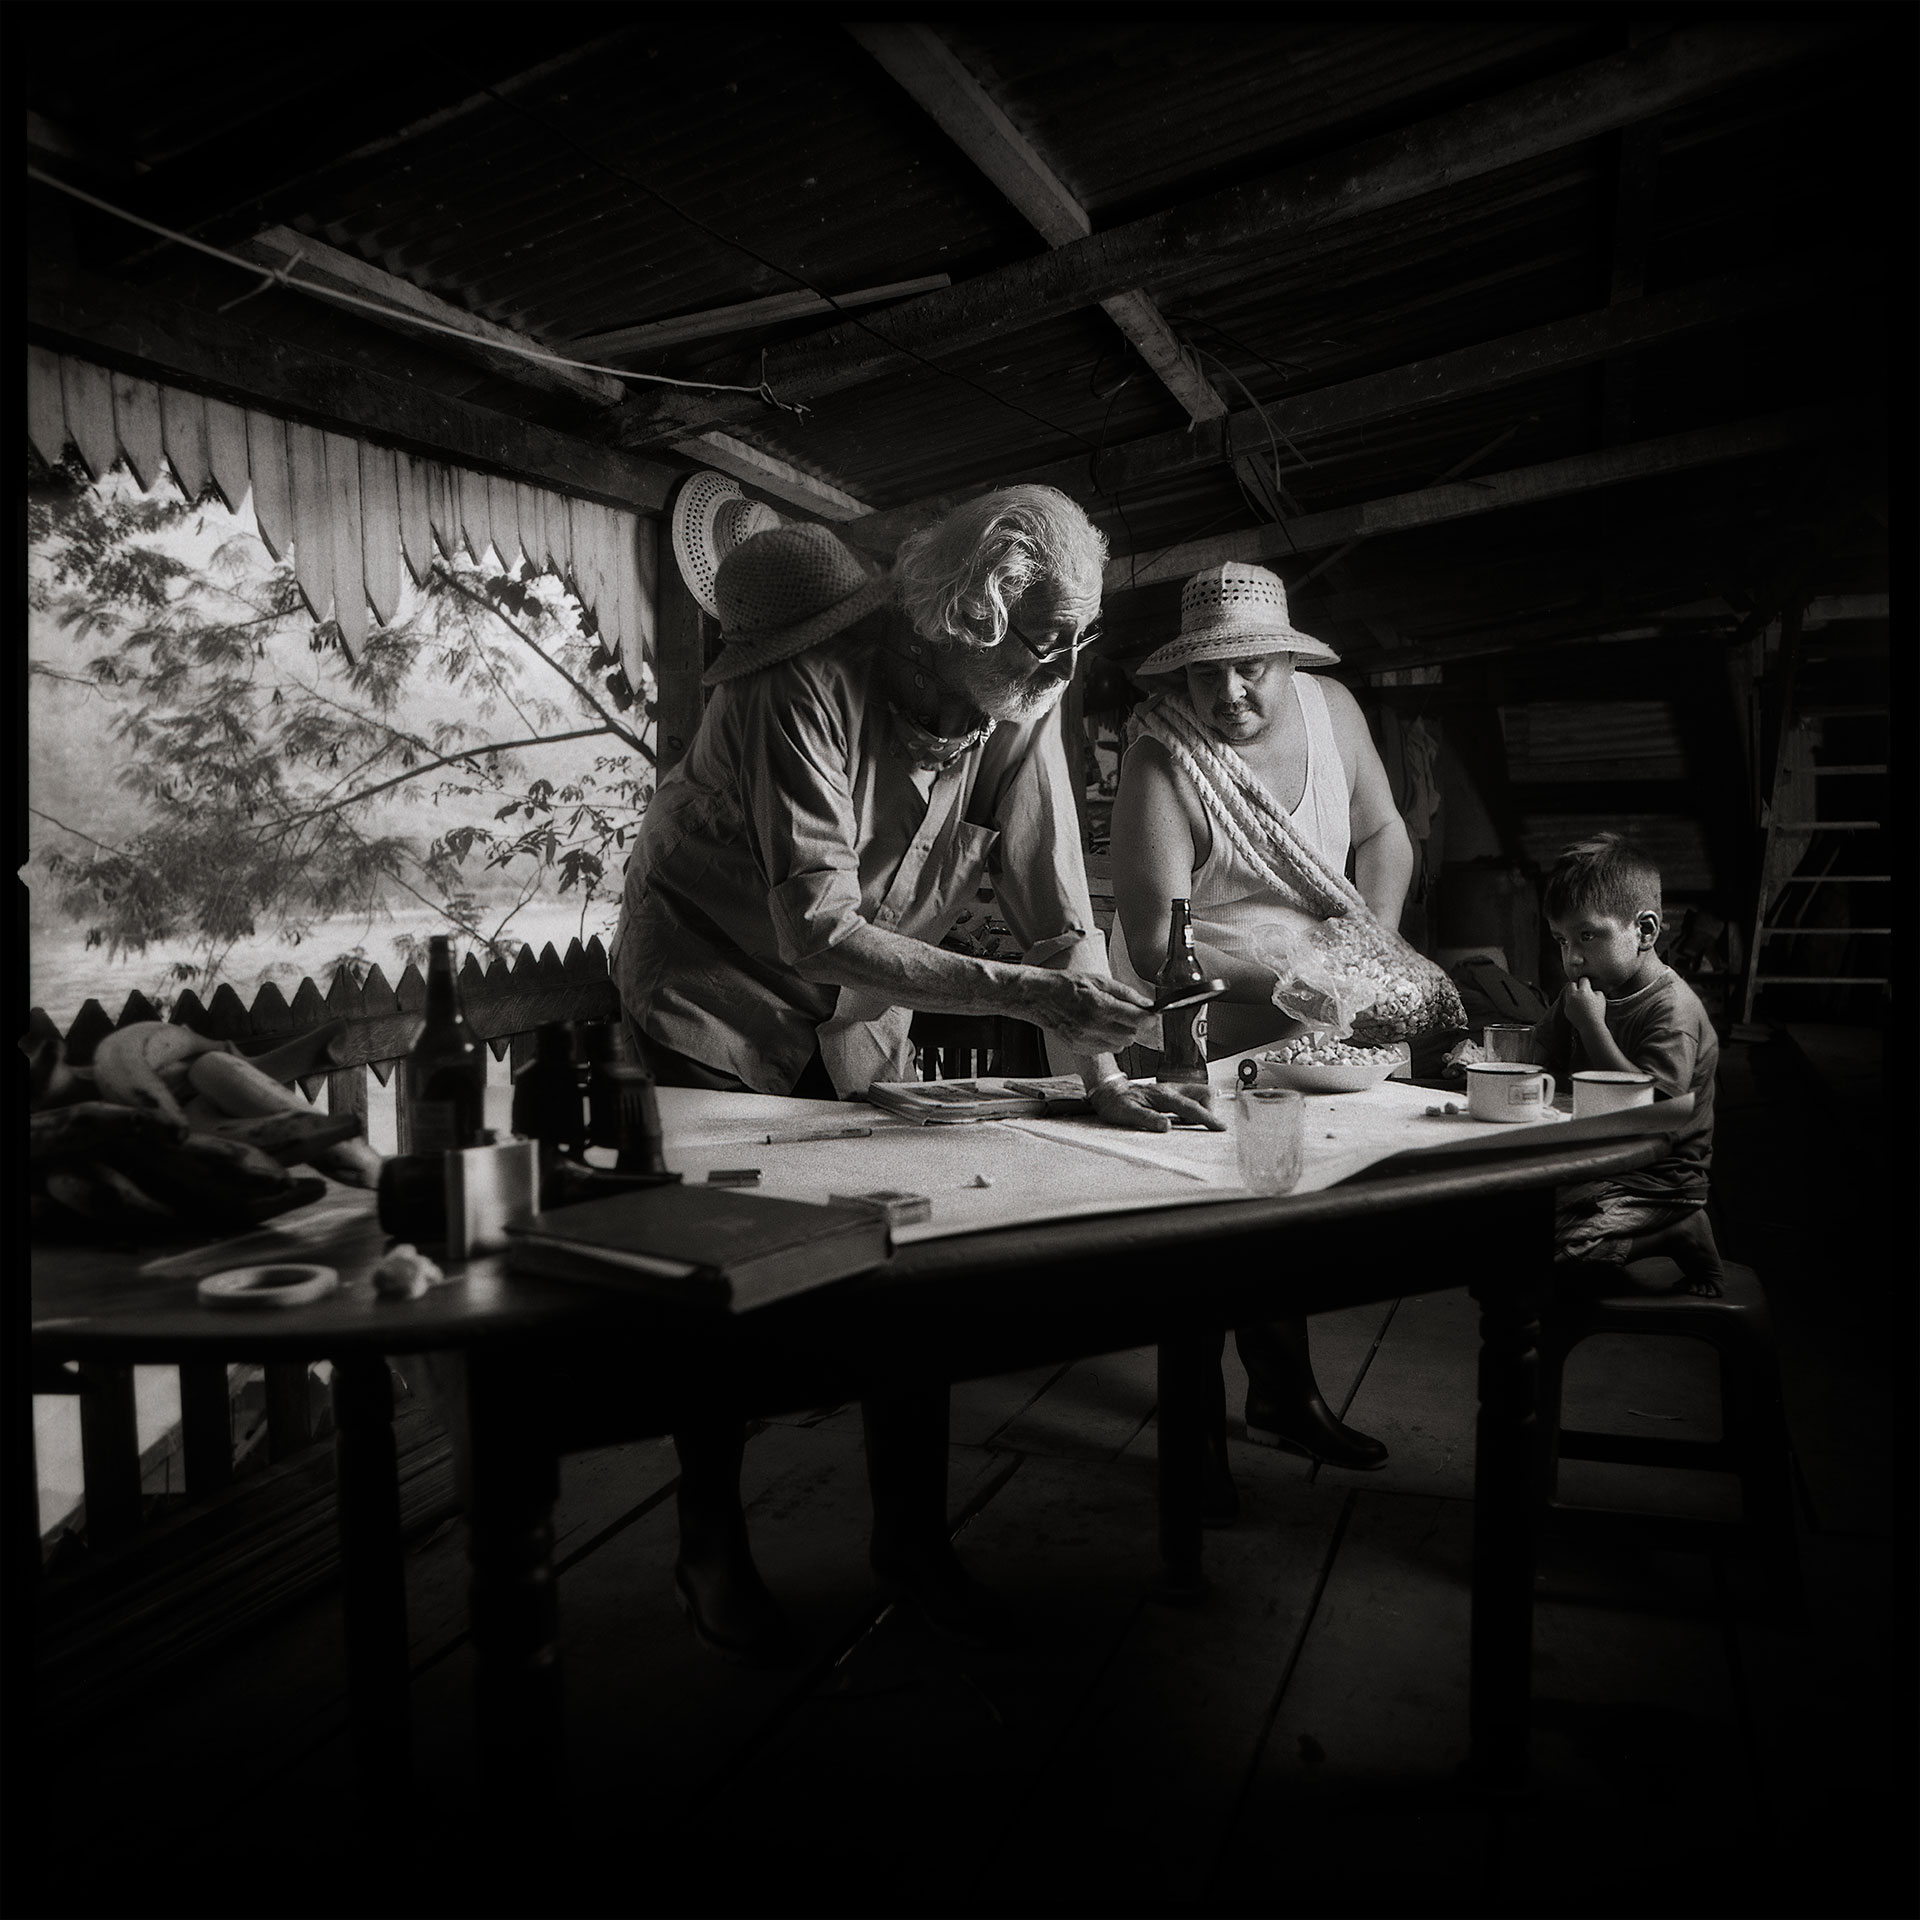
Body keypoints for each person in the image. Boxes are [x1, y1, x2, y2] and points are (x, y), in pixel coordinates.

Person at [611, 489, 1215, 1662]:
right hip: (714, 984)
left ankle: (913, 1543)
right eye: (1046, 634)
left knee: (910, 1267)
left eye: (1073, 633)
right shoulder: (801, 681)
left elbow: (1056, 911)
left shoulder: (1025, 691)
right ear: (963, 618)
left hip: (864, 1003)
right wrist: (1033, 998)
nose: (1066, 658)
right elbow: (817, 930)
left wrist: (1094, 1073)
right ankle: (711, 1542)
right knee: (723, 1275)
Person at [1107, 561, 1416, 1490]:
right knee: (1202, 1229)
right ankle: (1193, 1428)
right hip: (1200, 1030)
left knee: (1276, 1215)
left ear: (1290, 662)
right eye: (1207, 674)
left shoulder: (1336, 714)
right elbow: (1159, 940)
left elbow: (1385, 833)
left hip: (1309, 1033)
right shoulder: (1164, 755)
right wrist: (1298, 973)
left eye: (1252, 670)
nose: (1229, 693)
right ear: (1182, 677)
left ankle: (1282, 1398)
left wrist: (1372, 950)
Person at [1528, 833, 1724, 1295]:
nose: (1572, 958)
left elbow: (1654, 1109)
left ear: (1646, 931)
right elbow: (1536, 1053)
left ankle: (1678, 1231)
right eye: (1561, 940)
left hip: (1657, 1177)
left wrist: (1593, 1028)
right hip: (1594, 1160)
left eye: (1588, 935)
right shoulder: (1583, 993)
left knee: (1555, 1253)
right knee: (1509, 1227)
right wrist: (1485, 1063)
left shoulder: (1672, 1011)